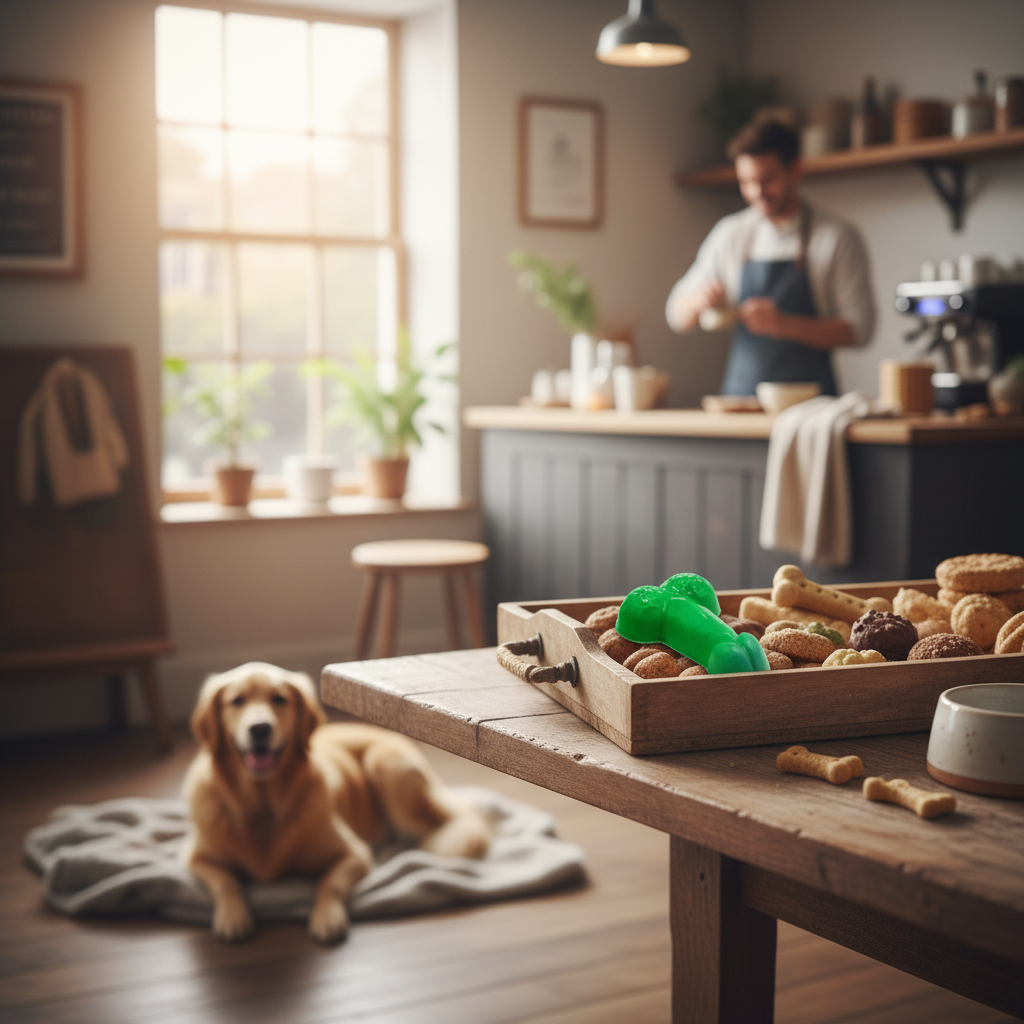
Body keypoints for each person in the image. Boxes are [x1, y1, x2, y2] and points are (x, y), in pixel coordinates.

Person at [665, 120, 875, 396]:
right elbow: (675, 314)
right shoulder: (731, 234)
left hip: (810, 410)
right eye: (746, 182)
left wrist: (785, 324)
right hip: (740, 401)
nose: (756, 192)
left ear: (795, 171)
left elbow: (860, 329)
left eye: (767, 180)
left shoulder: (836, 237)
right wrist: (698, 302)